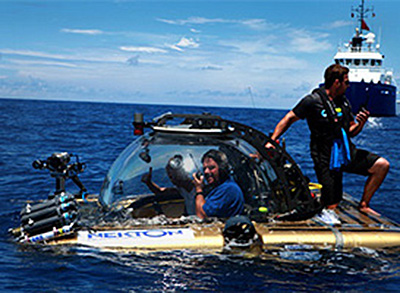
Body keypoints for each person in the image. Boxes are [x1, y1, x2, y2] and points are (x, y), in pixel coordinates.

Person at [266, 64, 389, 216]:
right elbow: (289, 118)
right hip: (324, 155)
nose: (348, 85)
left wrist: (360, 124)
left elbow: (351, 131)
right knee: (332, 203)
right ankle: (325, 206)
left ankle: (364, 204)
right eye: (346, 82)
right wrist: (272, 140)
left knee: (381, 166)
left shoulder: (344, 102)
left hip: (345, 152)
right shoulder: (312, 101)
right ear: (337, 82)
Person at [192, 149, 244, 219]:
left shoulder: (228, 189)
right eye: (204, 168)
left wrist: (199, 190)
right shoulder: (216, 188)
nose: (206, 172)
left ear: (222, 169)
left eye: (211, 168)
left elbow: (201, 216)